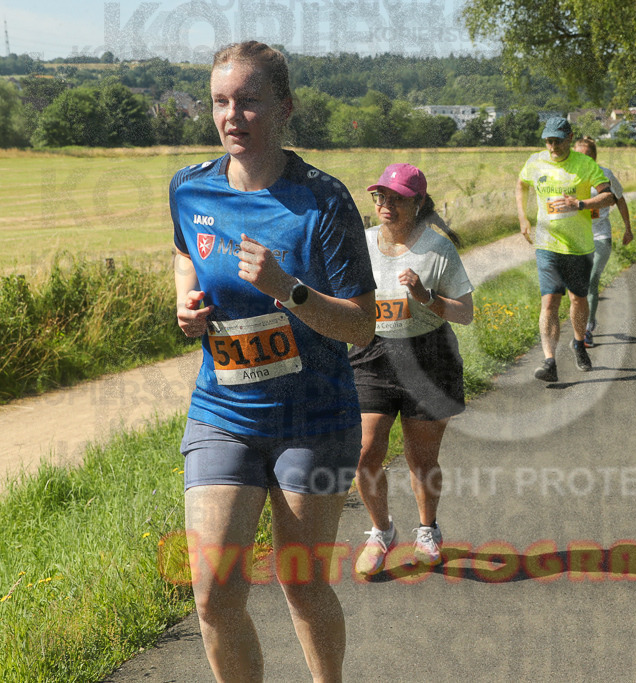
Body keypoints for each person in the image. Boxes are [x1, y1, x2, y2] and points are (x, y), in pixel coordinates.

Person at [170, 41, 377, 682]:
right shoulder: (190, 188)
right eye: (221, 102)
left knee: (300, 583)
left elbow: (362, 323)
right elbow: (184, 252)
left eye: (249, 101)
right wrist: (186, 301)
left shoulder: (324, 202)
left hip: (314, 420)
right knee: (212, 591)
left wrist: (289, 289)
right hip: (223, 410)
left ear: (284, 108)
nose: (233, 116)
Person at [349, 163, 474, 576]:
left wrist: (426, 297)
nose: (386, 205)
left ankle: (427, 530)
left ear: (417, 202)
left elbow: (465, 313)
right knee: (365, 454)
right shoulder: (360, 244)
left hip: (428, 357)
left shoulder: (438, 249)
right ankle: (381, 531)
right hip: (371, 355)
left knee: (421, 459)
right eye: (381, 196)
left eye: (397, 198)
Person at [516, 117, 615, 382]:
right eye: (548, 140)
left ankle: (579, 343)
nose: (552, 146)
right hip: (547, 245)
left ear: (570, 138)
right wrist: (523, 218)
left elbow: (609, 197)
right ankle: (549, 361)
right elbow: (521, 184)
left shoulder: (586, 164)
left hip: (579, 247)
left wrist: (581, 204)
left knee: (577, 299)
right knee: (549, 301)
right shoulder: (535, 161)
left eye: (557, 140)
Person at [573, 136, 633, 347]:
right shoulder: (568, 176)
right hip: (576, 238)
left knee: (591, 280)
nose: (582, 159)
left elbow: (620, 200)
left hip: (600, 236)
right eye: (578, 155)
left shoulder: (605, 175)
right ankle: (585, 320)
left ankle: (587, 328)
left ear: (594, 157)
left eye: (587, 156)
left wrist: (628, 228)